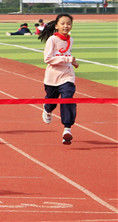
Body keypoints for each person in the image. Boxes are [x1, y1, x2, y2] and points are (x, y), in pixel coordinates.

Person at [38, 13, 79, 145]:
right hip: (52, 77)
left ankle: (67, 129)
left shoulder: (70, 39)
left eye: (68, 23)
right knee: (52, 100)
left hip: (67, 75)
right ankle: (47, 108)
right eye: (63, 23)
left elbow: (67, 55)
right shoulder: (52, 40)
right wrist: (67, 59)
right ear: (57, 25)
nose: (66, 26)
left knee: (67, 98)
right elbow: (47, 59)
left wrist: (72, 63)